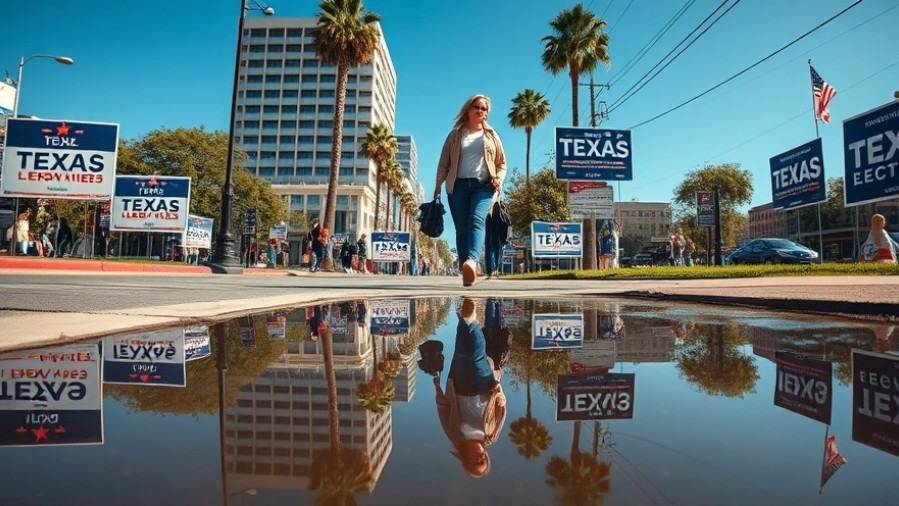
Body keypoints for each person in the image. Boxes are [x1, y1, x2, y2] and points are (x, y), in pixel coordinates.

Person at [434, 94, 507, 287]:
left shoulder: (492, 135)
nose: (481, 111)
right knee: (461, 228)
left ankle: (471, 262)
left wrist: (499, 178)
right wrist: (437, 188)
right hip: (457, 187)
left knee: (476, 218)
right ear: (468, 109)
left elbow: (501, 164)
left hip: (483, 186)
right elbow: (443, 164)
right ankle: (466, 267)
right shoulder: (455, 135)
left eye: (485, 109)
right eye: (478, 107)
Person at [432, 297, 507, 478]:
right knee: (476, 356)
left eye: (476, 462)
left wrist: (438, 390)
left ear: (466, 459)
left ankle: (465, 317)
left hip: (458, 384)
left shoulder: (454, 435)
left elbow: (443, 409)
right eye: (484, 460)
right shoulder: (491, 435)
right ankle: (470, 320)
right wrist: (498, 391)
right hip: (484, 385)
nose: (480, 457)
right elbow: (502, 408)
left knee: (461, 351)